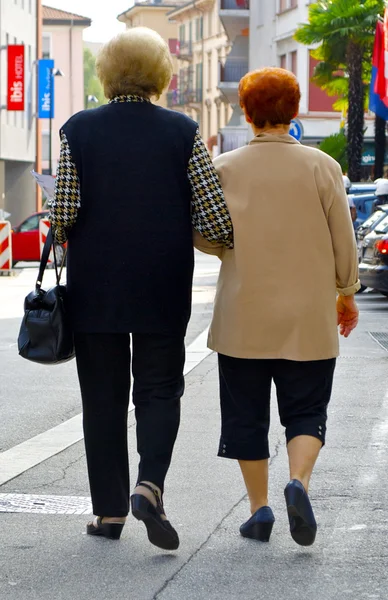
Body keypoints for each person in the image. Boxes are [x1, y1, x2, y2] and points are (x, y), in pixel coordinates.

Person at [49, 27, 233, 550]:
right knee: (158, 390)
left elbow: (62, 213)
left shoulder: (79, 130)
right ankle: (149, 485)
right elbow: (215, 217)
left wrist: (65, 228)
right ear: (160, 75)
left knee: (102, 399)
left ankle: (108, 514)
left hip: (96, 290)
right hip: (162, 283)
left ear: (107, 73)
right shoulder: (183, 132)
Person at [194, 67, 360, 547]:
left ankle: (260, 510)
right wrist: (345, 294)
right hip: (308, 316)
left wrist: (231, 247)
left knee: (246, 414)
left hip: (243, 314)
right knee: (307, 410)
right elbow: (342, 241)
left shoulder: (224, 168)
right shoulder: (323, 167)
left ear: (246, 113)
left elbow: (205, 234)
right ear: (294, 110)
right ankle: (298, 483)